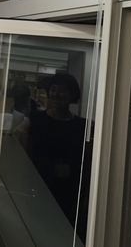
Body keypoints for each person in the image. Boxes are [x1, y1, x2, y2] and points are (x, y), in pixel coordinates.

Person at [13, 73, 92, 242]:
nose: (56, 94)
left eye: (62, 90)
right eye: (53, 90)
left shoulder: (81, 125)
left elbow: (87, 162)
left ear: (72, 94)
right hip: (40, 187)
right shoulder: (36, 118)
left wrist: (87, 194)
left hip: (69, 191)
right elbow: (17, 135)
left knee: (65, 235)